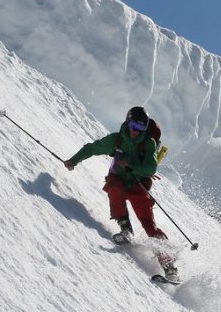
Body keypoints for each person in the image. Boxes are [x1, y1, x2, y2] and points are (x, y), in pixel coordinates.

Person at [64, 106, 177, 280]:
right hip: (118, 180)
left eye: (140, 128)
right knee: (114, 187)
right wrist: (74, 160)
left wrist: (131, 166)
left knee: (149, 225)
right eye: (133, 126)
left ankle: (169, 266)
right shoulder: (116, 140)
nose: (135, 131)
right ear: (127, 122)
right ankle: (126, 229)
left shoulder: (149, 144)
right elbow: (92, 148)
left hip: (138, 184)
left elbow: (151, 167)